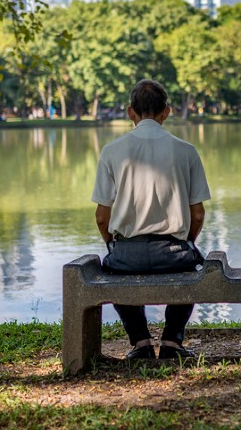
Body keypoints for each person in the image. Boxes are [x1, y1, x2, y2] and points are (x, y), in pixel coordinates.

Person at [91, 79, 211, 360]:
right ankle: (171, 342)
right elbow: (198, 213)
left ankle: (141, 342)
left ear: (130, 112)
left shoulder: (111, 151)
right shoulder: (186, 151)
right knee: (195, 264)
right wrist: (186, 242)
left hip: (126, 254)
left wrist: (114, 244)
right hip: (173, 252)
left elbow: (101, 217)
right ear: (166, 112)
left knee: (113, 270)